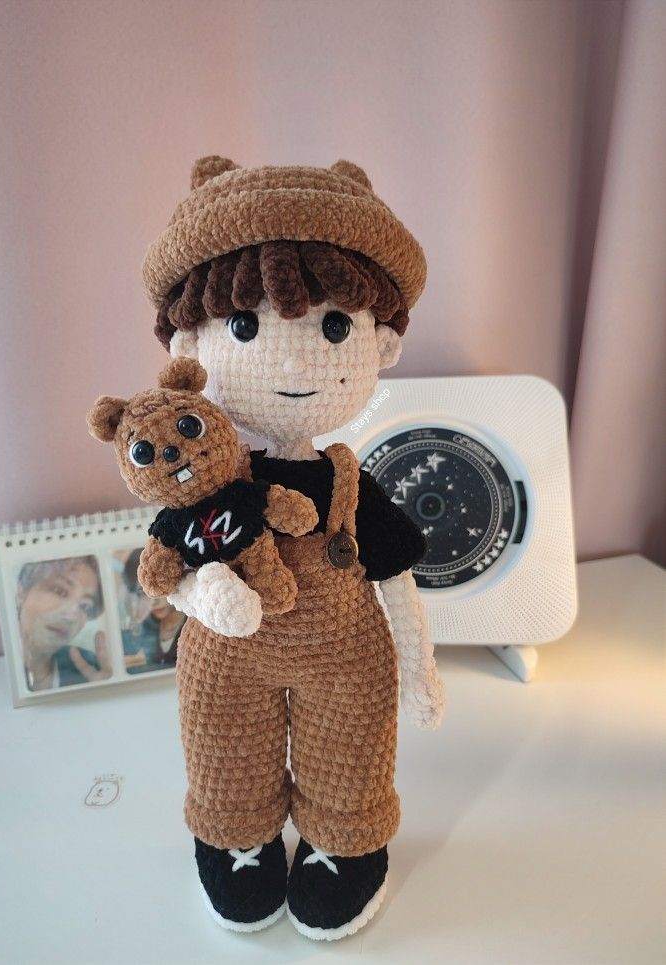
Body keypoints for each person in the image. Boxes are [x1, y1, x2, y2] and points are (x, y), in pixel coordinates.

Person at [139, 156, 446, 938]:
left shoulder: (348, 481)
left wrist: (417, 661)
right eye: (244, 326)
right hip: (227, 655)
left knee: (351, 746)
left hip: (344, 656)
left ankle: (343, 842)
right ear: (191, 343)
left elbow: (395, 575)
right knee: (220, 740)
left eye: (334, 326)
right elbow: (165, 563)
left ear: (378, 344)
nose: (299, 359)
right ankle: (237, 838)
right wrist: (198, 590)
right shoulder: (203, 472)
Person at [16, 555, 109, 691]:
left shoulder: (90, 669)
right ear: (21, 593)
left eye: (85, 606)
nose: (71, 616)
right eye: (59, 591)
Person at [118, 548, 185, 673]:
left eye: (158, 584)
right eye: (143, 592)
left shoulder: (196, 620)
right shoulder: (146, 627)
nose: (154, 600)